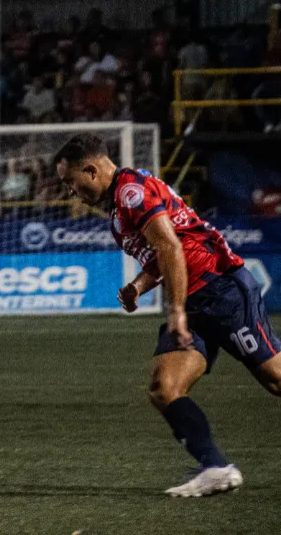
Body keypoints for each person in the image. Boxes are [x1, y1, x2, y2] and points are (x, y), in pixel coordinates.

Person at [53, 134, 281, 497]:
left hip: (219, 288)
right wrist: (139, 287)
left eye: (70, 182)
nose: (70, 191)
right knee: (164, 388)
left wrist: (175, 311)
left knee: (275, 379)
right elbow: (161, 253)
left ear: (92, 170)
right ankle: (215, 468)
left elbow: (171, 246)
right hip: (191, 298)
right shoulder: (118, 208)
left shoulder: (133, 193)